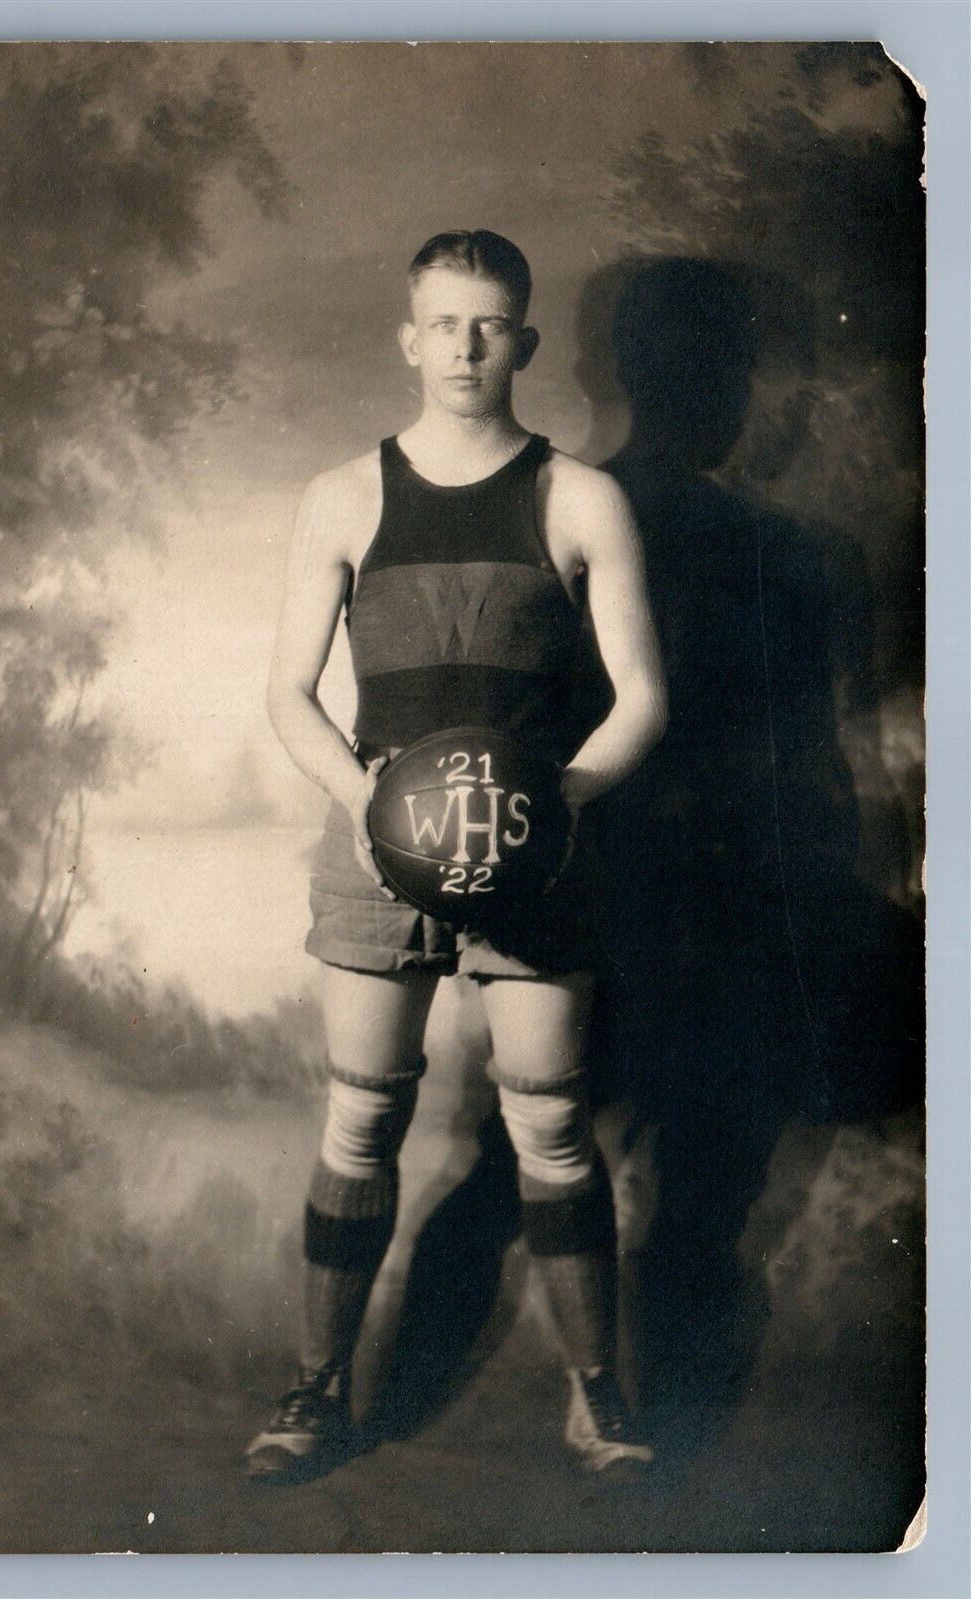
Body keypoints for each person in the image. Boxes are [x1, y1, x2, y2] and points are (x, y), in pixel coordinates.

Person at [247, 231, 667, 1481]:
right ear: (409, 338)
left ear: (525, 342)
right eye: (445, 324)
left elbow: (640, 698)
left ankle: (598, 1401)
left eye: (491, 325)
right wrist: (370, 808)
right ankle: (316, 1392)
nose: (468, 347)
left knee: (548, 1121)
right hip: (376, 850)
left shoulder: (580, 496)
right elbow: (285, 694)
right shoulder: (342, 495)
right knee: (359, 1116)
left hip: (538, 855)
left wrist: (559, 803)